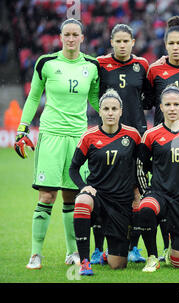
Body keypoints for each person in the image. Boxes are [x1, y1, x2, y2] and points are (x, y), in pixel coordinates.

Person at [14, 18, 100, 270]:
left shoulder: (92, 66)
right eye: (67, 34)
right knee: (46, 195)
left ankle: (72, 252)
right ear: (60, 37)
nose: (71, 39)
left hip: (78, 138)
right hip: (51, 136)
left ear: (83, 38)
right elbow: (33, 98)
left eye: (75, 34)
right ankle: (35, 254)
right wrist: (22, 128)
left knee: (72, 197)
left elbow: (96, 100)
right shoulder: (46, 63)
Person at [95, 23, 153, 264]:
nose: (121, 45)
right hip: (108, 136)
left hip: (137, 136)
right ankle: (98, 249)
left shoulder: (142, 66)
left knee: (136, 191)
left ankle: (133, 247)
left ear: (132, 43)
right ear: (112, 42)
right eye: (117, 41)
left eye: (125, 41)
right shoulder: (100, 64)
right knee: (102, 188)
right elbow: (94, 94)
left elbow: (150, 97)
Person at [70, 89, 142, 275]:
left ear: (121, 111)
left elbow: (139, 167)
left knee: (117, 265)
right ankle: (85, 261)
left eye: (114, 108)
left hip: (121, 202)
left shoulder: (133, 135)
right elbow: (73, 169)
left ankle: (107, 254)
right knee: (82, 201)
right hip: (98, 198)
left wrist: (137, 192)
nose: (110, 112)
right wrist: (84, 187)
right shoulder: (89, 136)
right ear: (99, 111)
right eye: (106, 109)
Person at [136, 85, 179, 272]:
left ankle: (171, 249)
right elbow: (140, 166)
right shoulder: (151, 135)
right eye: (168, 104)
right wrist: (146, 192)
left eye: (176, 104)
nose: (172, 108)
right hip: (161, 195)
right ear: (161, 107)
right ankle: (152, 257)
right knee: (146, 207)